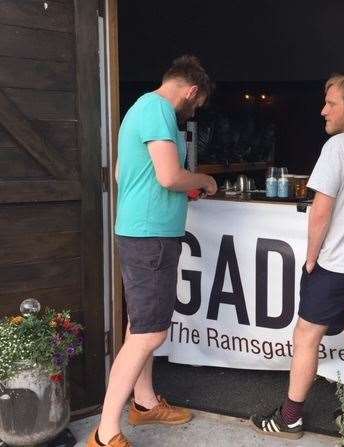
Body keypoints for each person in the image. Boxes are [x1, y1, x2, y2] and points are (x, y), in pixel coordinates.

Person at [251, 74, 344, 439]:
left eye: (330, 103)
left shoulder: (338, 148)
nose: (322, 110)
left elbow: (321, 210)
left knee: (306, 336)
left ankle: (289, 419)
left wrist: (311, 258)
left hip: (337, 263)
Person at [87, 55, 217, 447]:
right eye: (196, 105)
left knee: (139, 326)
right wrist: (206, 180)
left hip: (143, 233)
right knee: (150, 334)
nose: (192, 112)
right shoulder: (160, 109)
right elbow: (169, 176)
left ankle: (143, 404)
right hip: (150, 238)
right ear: (191, 91)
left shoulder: (139, 109)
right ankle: (104, 431)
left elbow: (120, 173)